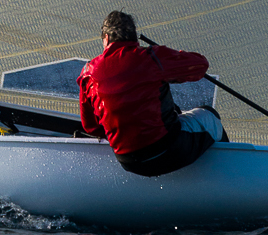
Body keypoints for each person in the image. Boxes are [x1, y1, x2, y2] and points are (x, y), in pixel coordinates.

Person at [78, 10, 227, 177]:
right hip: (167, 150)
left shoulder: (87, 73)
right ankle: (228, 174)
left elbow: (91, 127)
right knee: (211, 116)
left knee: (174, 111)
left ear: (105, 39)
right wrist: (172, 57)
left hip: (128, 161)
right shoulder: (152, 57)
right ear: (134, 36)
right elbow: (201, 65)